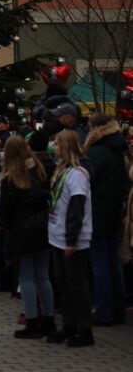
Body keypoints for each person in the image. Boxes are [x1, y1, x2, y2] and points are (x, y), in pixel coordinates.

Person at [0, 135, 54, 338]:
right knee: (44, 276)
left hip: (22, 230)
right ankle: (48, 319)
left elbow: (5, 211)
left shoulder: (12, 179)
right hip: (43, 227)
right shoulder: (39, 169)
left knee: (27, 277)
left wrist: (0, 224)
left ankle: (31, 321)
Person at [47, 129, 93, 346]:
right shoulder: (61, 171)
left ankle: (84, 331)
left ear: (66, 147)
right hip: (56, 235)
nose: (54, 147)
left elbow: (77, 209)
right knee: (63, 283)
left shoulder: (77, 174)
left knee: (77, 285)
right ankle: (69, 326)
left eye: (57, 144)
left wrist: (71, 240)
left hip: (71, 239)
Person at [84, 113, 128, 326]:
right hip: (114, 212)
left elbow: (87, 180)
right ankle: (118, 308)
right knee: (112, 261)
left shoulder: (97, 152)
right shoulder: (117, 150)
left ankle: (103, 310)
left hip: (98, 213)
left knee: (100, 263)